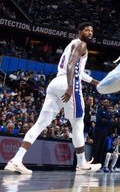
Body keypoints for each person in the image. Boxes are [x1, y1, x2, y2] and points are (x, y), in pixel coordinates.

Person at [4, 22, 102, 174]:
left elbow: (78, 71)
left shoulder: (72, 44)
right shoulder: (81, 44)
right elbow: (71, 66)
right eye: (87, 30)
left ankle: (16, 160)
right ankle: (82, 163)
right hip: (68, 83)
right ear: (79, 31)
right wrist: (70, 86)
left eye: (92, 30)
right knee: (78, 123)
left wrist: (97, 83)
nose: (90, 32)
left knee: (40, 124)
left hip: (55, 83)